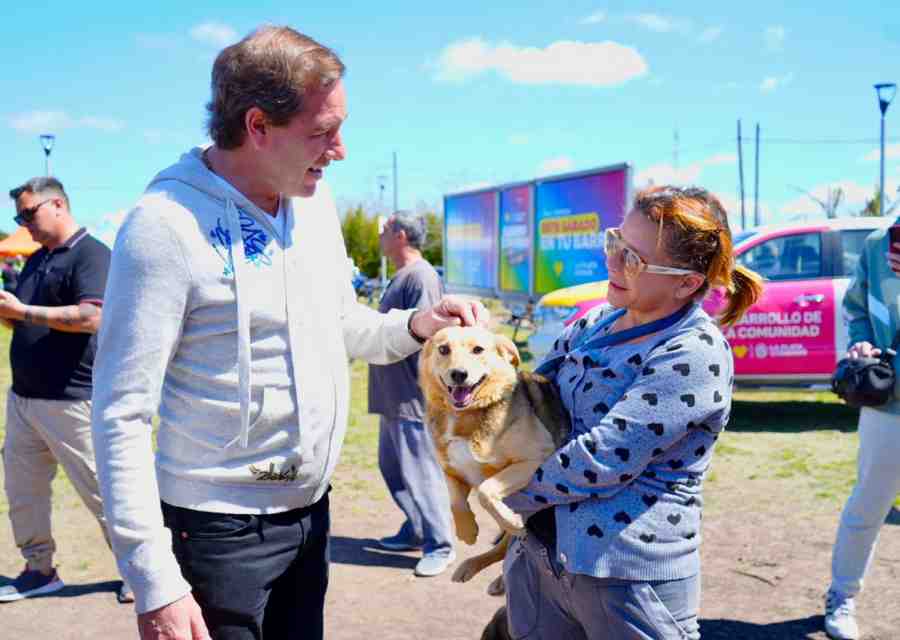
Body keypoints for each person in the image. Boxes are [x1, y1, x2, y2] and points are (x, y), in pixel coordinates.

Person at [90, 25, 487, 640]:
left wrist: (416, 325)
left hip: (310, 515)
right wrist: (153, 578)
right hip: (215, 531)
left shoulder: (311, 202)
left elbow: (344, 325)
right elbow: (120, 411)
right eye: (323, 132)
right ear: (257, 126)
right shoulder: (163, 227)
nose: (340, 151)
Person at [503, 186, 762, 640]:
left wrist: (503, 492)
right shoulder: (592, 323)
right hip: (543, 562)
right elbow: (527, 400)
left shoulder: (694, 351)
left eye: (634, 259)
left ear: (687, 283)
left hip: (627, 582)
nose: (612, 261)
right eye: (615, 242)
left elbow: (603, 458)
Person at [0, 177, 132, 604]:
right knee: (24, 494)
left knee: (106, 493)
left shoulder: (92, 255)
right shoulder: (37, 259)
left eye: (28, 214)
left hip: (73, 401)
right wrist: (8, 314)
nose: (23, 224)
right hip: (24, 400)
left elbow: (92, 317)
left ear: (57, 204)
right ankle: (38, 571)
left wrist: (24, 312)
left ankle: (143, 573)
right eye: (18, 218)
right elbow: (27, 321)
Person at [822, 221, 900, 640]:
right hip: (890, 400)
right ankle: (842, 595)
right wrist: (862, 341)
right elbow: (856, 309)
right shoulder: (877, 245)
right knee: (869, 504)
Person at [370, 211, 455, 577]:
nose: (380, 235)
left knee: (421, 473)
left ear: (401, 235)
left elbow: (432, 338)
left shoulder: (420, 276)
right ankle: (417, 529)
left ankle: (441, 544)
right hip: (392, 396)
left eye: (385, 230)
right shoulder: (403, 275)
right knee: (393, 468)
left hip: (412, 397)